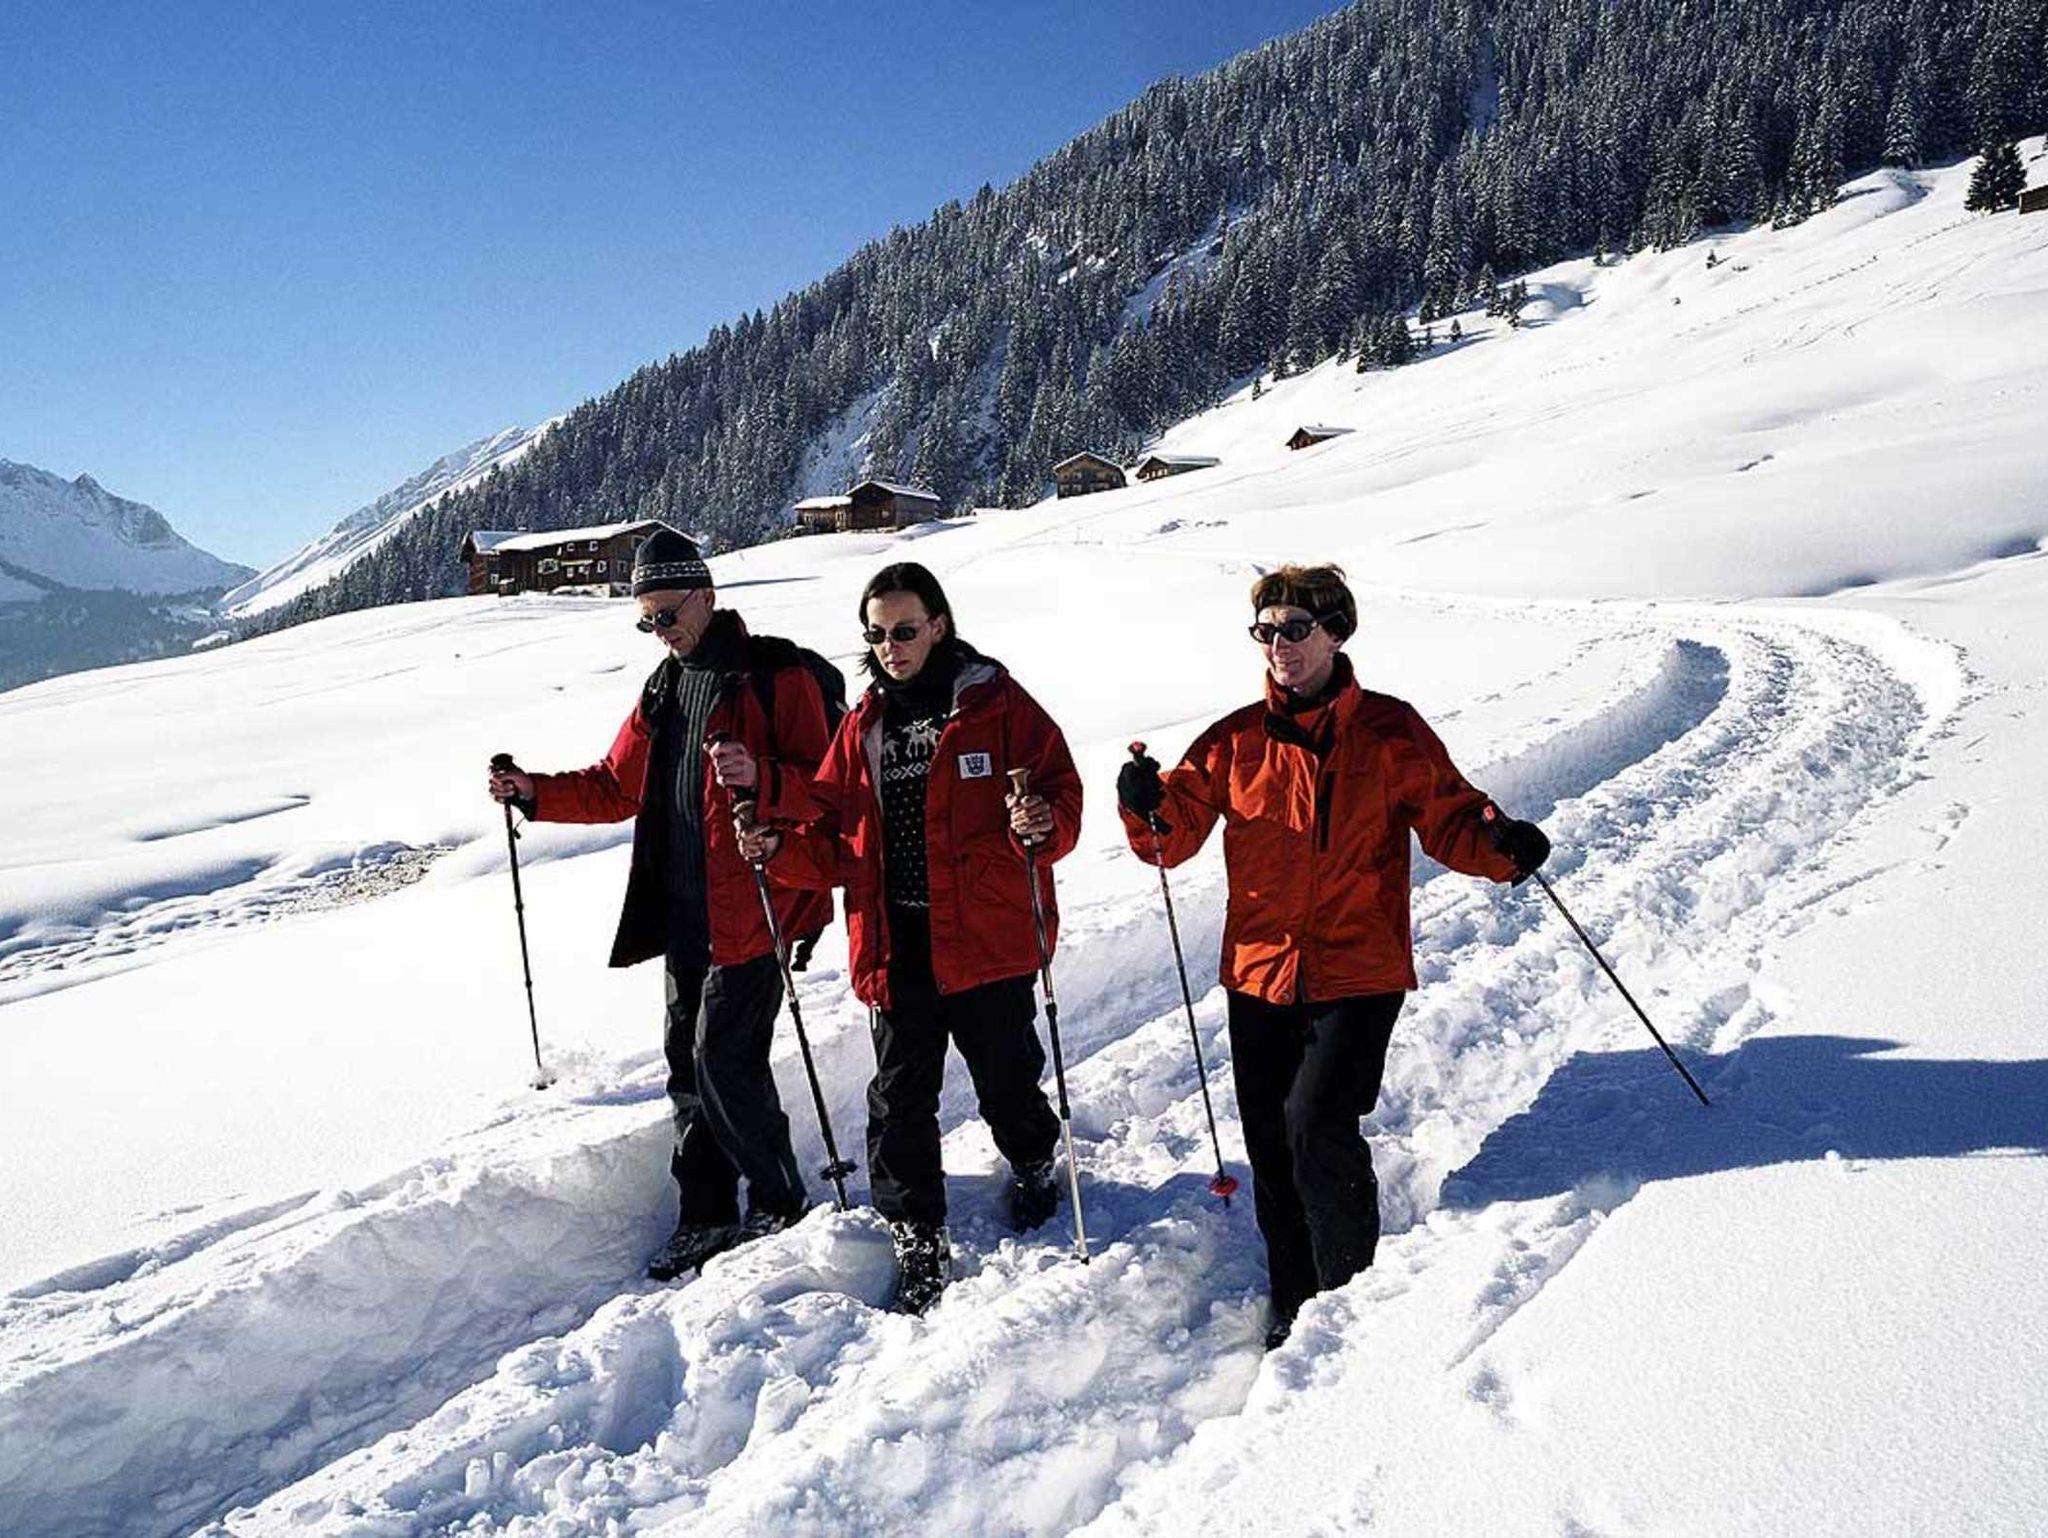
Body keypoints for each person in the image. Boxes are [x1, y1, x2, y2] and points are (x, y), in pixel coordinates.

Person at [1115, 563, 1550, 1349]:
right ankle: (1293, 1300)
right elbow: (1169, 839)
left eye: (1295, 628)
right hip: (1259, 971)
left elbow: (1451, 819)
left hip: (1359, 966)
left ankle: (1348, 1301)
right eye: (1266, 631)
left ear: (1337, 633)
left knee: (1317, 1124)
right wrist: (1143, 801)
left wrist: (1502, 846)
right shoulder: (1234, 740)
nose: (1278, 645)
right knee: (1271, 1146)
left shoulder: (1390, 731)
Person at [486, 527, 837, 1281]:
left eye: (668, 615)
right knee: (686, 1065)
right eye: (646, 621)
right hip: (683, 910)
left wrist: (762, 777)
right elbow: (615, 786)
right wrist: (534, 791)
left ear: (706, 597)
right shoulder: (664, 688)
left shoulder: (776, 676)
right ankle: (705, 1214)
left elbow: (829, 790)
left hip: (759, 907)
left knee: (725, 1060)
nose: (660, 631)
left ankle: (779, 1200)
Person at [733, 561, 1080, 1314]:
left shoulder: (997, 704)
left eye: (904, 631)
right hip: (897, 942)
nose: (890, 647)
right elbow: (834, 836)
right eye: (877, 635)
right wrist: (779, 848)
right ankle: (916, 1232)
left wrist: (1043, 822)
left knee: (1007, 1080)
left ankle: (1032, 1161)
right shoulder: (863, 725)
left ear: (939, 626)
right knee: (899, 1100)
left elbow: (1060, 793)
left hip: (987, 939)